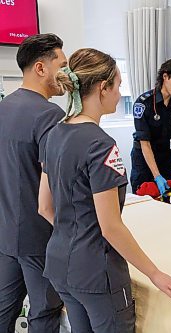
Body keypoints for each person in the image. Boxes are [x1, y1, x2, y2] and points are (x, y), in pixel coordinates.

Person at [38, 48, 171, 333]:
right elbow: (110, 227)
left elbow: (45, 207)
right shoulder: (100, 145)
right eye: (118, 85)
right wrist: (155, 274)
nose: (119, 92)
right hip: (97, 273)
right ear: (103, 88)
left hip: (60, 263)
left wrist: (75, 235)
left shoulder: (53, 135)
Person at [0, 33, 65, 333]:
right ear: (41, 68)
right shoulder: (50, 115)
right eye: (62, 66)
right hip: (39, 237)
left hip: (5, 232)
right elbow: (58, 183)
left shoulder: (4, 107)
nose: (67, 75)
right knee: (45, 312)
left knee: (4, 309)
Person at [130, 59, 171, 195]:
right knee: (144, 197)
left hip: (165, 155)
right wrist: (157, 175)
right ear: (165, 76)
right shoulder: (143, 103)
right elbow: (144, 143)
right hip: (144, 158)